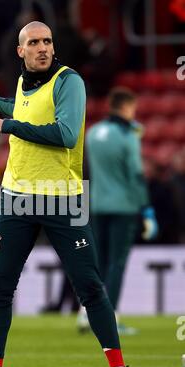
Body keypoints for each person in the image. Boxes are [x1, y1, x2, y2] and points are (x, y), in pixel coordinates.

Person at [0, 21, 138, 367]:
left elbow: (65, 134)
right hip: (16, 198)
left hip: (63, 198)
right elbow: (21, 109)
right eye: (33, 42)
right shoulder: (23, 84)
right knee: (0, 285)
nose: (42, 47)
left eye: (47, 41)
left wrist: (8, 127)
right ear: (21, 51)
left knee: (90, 287)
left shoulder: (70, 82)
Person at [77, 88, 158, 335]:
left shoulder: (93, 133)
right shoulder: (128, 135)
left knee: (97, 262)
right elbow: (135, 173)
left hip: (98, 204)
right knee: (117, 263)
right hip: (124, 206)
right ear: (125, 108)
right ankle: (109, 317)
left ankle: (85, 313)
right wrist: (146, 209)